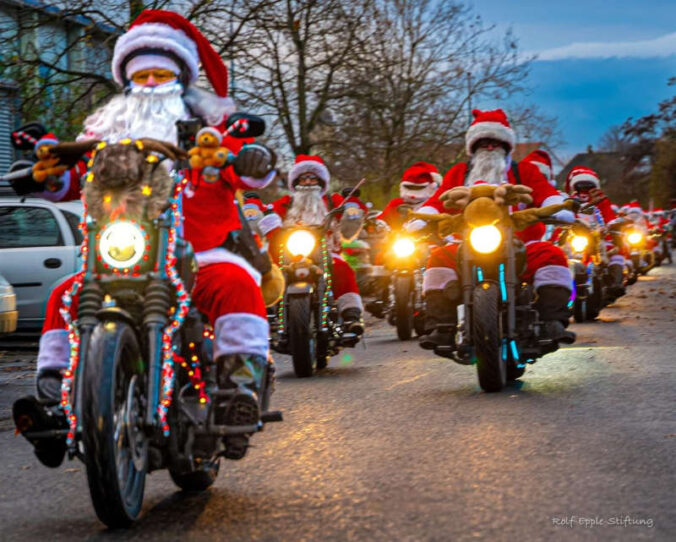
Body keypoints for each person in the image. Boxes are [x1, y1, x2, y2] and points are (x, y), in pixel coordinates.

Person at [17, 9, 277, 460]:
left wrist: (251, 160)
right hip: (123, 250)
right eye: (142, 75)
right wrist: (53, 173)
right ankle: (53, 399)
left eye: (162, 73)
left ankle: (240, 392)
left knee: (237, 284)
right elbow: (73, 177)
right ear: (128, 83)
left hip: (203, 255)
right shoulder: (103, 132)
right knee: (65, 295)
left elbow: (249, 169)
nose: (152, 83)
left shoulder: (209, 134)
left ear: (179, 78)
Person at [410, 108, 576, 352]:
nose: (489, 148)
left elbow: (547, 195)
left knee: (551, 255)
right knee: (438, 259)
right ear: (473, 146)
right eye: (483, 143)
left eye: (495, 142)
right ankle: (441, 326)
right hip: (467, 242)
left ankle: (552, 322)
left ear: (507, 145)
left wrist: (557, 208)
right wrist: (422, 220)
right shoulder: (459, 173)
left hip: (520, 243)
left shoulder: (524, 172)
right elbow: (437, 200)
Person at [258, 155, 367, 336]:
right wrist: (262, 216)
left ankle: (351, 315)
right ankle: (268, 310)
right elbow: (268, 213)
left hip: (327, 250)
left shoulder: (333, 201)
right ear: (296, 181)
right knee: (269, 270)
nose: (308, 182)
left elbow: (351, 209)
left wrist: (353, 209)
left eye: (313, 178)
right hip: (290, 252)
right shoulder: (286, 202)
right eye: (303, 178)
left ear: (321, 181)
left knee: (342, 268)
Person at [565, 166, 626, 298]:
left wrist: (612, 227)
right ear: (574, 187)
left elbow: (609, 217)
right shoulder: (568, 201)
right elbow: (563, 217)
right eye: (581, 187)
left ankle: (614, 283)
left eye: (588, 186)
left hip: (598, 237)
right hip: (574, 237)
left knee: (615, 251)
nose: (585, 191)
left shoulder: (602, 201)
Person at [377, 162, 442, 229]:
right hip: (399, 237)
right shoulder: (396, 204)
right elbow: (381, 221)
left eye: (418, 188)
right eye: (410, 187)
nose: (413, 195)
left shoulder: (436, 205)